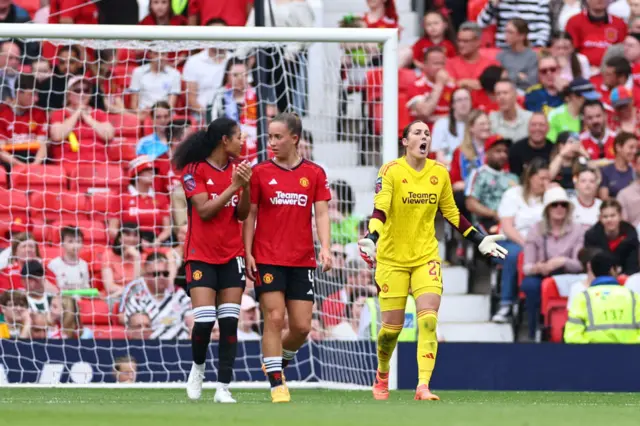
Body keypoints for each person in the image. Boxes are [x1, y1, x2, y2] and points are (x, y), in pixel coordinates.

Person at [357, 120, 507, 401]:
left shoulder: (439, 172)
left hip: (426, 255)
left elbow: (452, 213)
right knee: (391, 330)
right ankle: (382, 373)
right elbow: (381, 209)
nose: (424, 136)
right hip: (392, 258)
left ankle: (422, 386)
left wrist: (480, 239)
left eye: (427, 133)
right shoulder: (390, 171)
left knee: (428, 321)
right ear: (405, 141)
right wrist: (371, 238)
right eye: (417, 133)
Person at [243, 112, 332, 403]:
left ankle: (275, 362)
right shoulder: (259, 173)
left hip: (302, 259)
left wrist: (326, 248)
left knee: (302, 327)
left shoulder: (315, 173)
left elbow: (321, 213)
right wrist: (247, 252)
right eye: (270, 137)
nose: (272, 142)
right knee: (274, 317)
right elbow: (250, 215)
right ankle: (276, 383)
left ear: (294, 138)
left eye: (278, 137)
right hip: (268, 256)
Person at [173, 117, 252, 404]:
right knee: (205, 323)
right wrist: (234, 186)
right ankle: (197, 370)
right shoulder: (194, 170)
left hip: (232, 256)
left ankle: (223, 386)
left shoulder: (237, 171)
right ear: (224, 140)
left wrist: (247, 187)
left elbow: (242, 214)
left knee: (230, 322)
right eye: (239, 137)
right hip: (201, 256)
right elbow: (205, 211)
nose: (243, 142)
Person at [520, 186, 586, 339]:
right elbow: (526, 267)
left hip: (569, 275)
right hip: (543, 274)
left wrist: (561, 261)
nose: (559, 208)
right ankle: (535, 330)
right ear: (547, 209)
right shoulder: (535, 230)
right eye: (554, 205)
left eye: (563, 205)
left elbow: (580, 265)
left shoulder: (578, 230)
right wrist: (539, 267)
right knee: (530, 285)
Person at [492, 158, 550, 322]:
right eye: (542, 178)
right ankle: (506, 304)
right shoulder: (513, 194)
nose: (545, 183)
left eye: (548, 179)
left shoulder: (550, 197)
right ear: (531, 177)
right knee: (514, 255)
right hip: (511, 241)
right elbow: (508, 227)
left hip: (542, 242)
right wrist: (527, 245)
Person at [564, 251, 640, 343]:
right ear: (612, 270)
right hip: (630, 355)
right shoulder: (633, 297)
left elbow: (572, 337)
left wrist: (593, 349)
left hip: (592, 356)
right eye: (618, 269)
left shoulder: (582, 298)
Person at [48, 75, 115, 164]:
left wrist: (88, 119)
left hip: (99, 162)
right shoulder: (59, 113)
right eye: (77, 90)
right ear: (69, 94)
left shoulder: (98, 113)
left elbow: (109, 135)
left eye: (86, 90)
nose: (82, 94)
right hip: (68, 163)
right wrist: (76, 113)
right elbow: (57, 136)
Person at [108, 156, 172, 247]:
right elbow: (112, 229)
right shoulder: (121, 198)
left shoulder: (162, 198)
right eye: (147, 170)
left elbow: (167, 229)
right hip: (128, 243)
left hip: (156, 242)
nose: (152, 173)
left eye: (153, 171)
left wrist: (157, 241)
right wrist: (134, 242)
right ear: (136, 174)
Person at [465, 136, 518, 232]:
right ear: (487, 153)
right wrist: (494, 214)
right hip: (486, 221)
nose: (503, 155)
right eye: (498, 151)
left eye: (505, 152)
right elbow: (471, 204)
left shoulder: (513, 178)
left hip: (512, 221)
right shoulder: (478, 174)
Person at [565, 0, 627, 70]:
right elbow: (571, 51)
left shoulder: (619, 23)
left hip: (612, 72)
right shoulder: (574, 22)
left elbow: (623, 51)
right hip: (583, 70)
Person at [584, 200, 639, 275]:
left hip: (627, 277)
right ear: (600, 218)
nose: (609, 220)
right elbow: (591, 264)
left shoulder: (630, 234)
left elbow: (633, 265)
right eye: (605, 217)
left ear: (620, 216)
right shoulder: (591, 236)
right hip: (599, 278)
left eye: (613, 215)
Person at [406, 47, 455, 127]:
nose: (440, 67)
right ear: (425, 65)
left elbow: (461, 116)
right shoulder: (415, 86)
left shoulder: (452, 87)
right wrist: (439, 84)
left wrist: (434, 118)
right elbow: (425, 112)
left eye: (442, 63)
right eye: (436, 63)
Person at [477, 0, 551, 47]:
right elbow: (481, 24)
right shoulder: (499, 2)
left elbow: (544, 27)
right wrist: (492, 4)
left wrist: (539, 47)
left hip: (530, 47)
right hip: (504, 48)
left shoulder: (540, 1)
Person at [547, 78, 601, 142]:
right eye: (587, 98)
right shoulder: (555, 115)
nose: (590, 102)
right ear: (573, 96)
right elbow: (550, 142)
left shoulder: (592, 116)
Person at [431, 87, 472, 167]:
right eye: (459, 100)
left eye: (466, 99)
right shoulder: (441, 124)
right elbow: (439, 157)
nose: (463, 103)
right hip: (448, 168)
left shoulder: (476, 123)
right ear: (453, 104)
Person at [497, 19, 539, 91]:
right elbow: (497, 78)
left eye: (510, 32)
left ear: (522, 36)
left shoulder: (532, 56)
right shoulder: (501, 56)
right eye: (506, 31)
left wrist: (508, 74)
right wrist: (518, 75)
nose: (506, 35)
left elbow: (531, 82)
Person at [599, 132, 638, 199]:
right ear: (618, 147)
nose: (635, 151)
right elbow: (604, 198)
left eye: (636, 148)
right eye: (631, 147)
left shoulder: (635, 172)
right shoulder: (606, 171)